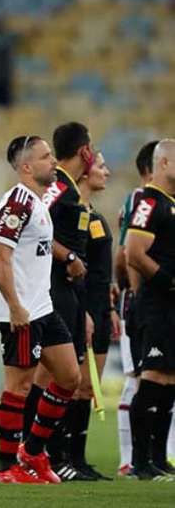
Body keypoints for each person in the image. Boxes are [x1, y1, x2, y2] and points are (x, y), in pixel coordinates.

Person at [0, 135, 81, 484]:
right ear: (26, 167)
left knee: (69, 378)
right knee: (19, 387)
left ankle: (32, 452)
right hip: (21, 312)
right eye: (46, 157)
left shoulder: (37, 202)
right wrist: (14, 306)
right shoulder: (16, 204)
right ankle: (5, 467)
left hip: (43, 307)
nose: (54, 162)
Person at [31, 122, 98, 481]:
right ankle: (39, 452)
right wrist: (69, 257)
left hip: (67, 292)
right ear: (84, 151)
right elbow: (33, 226)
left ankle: (43, 452)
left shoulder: (70, 190)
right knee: (48, 374)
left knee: (60, 375)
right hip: (51, 290)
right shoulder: (57, 189)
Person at [126, 139, 175, 480]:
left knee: (170, 380)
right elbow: (133, 253)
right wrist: (168, 281)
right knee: (154, 377)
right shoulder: (149, 202)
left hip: (170, 307)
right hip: (155, 304)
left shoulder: (171, 204)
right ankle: (139, 462)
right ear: (165, 163)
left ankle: (158, 459)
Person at [76, 152, 120, 478]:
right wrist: (85, 310)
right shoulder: (73, 215)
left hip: (101, 309)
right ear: (84, 172)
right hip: (83, 310)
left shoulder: (94, 215)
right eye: (100, 166)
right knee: (75, 386)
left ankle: (77, 457)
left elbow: (100, 271)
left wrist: (110, 306)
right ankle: (63, 456)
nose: (106, 171)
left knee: (89, 388)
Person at [116, 140, 157, 475]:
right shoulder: (140, 200)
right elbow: (126, 253)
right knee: (138, 379)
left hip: (159, 303)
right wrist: (133, 292)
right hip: (143, 302)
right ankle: (129, 458)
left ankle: (160, 455)